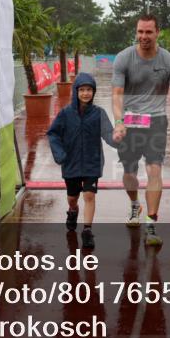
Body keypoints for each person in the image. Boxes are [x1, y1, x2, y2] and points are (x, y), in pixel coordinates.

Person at [112, 15, 170, 246]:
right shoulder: (124, 58)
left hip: (156, 122)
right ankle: (134, 205)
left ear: (158, 32)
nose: (143, 37)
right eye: (140, 32)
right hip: (130, 122)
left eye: (148, 32)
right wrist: (119, 121)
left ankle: (151, 223)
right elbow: (117, 94)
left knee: (154, 171)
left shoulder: (169, 61)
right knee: (129, 173)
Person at [47, 72, 117, 250]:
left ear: (93, 92)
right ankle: (73, 210)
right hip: (70, 162)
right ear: (76, 91)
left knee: (89, 195)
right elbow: (53, 133)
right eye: (82, 90)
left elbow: (109, 134)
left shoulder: (99, 113)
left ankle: (87, 230)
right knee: (73, 197)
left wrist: (120, 139)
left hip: (92, 162)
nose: (86, 93)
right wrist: (60, 153)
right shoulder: (65, 113)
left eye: (89, 90)